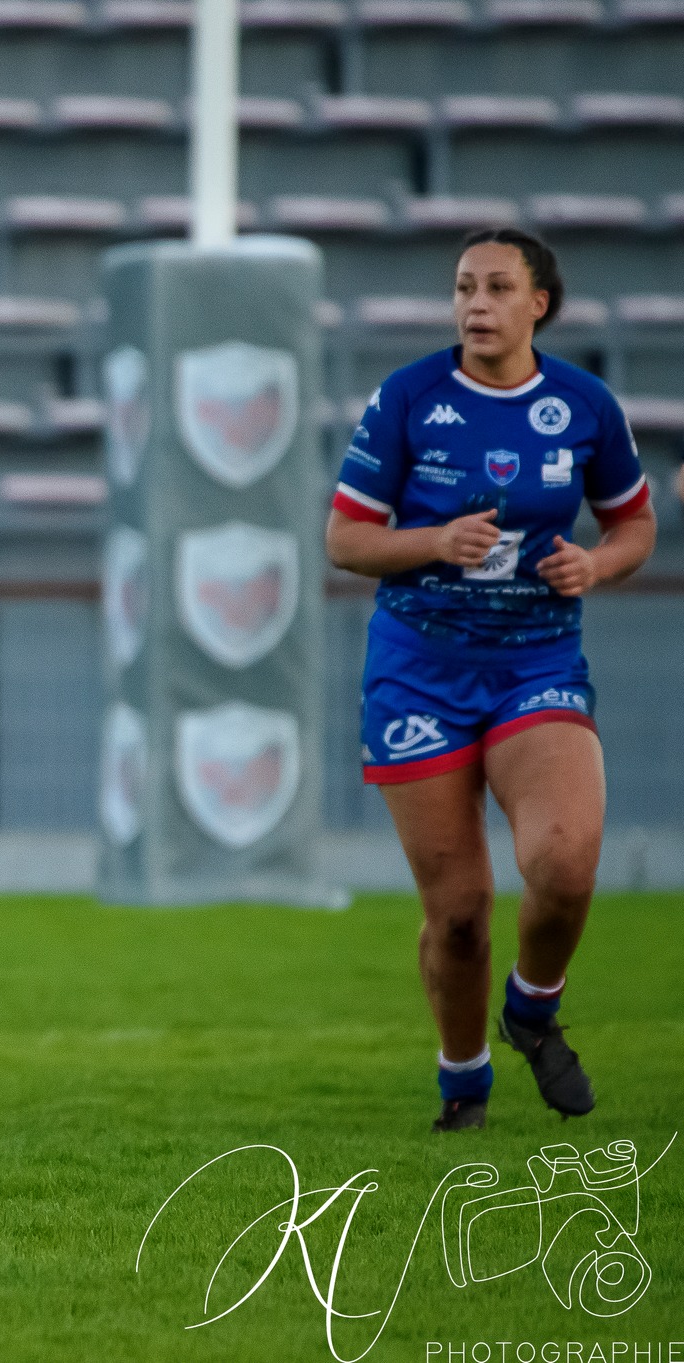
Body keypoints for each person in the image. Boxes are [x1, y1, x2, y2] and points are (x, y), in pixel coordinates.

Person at [327, 228, 654, 1133]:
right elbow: (345, 539)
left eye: (497, 287)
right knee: (462, 911)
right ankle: (463, 1081)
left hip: (536, 662)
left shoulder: (586, 404)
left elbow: (633, 524)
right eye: (465, 286)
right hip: (419, 669)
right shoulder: (410, 397)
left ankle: (534, 1007)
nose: (476, 303)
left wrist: (597, 565)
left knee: (564, 861)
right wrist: (435, 540)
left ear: (538, 303)